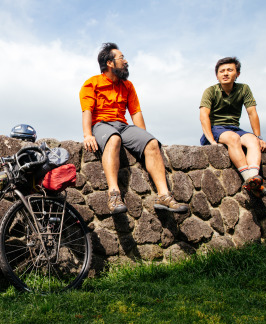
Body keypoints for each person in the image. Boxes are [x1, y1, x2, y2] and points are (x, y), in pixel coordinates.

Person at [79, 42, 188, 214]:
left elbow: (136, 113)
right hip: (102, 125)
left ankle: (164, 196)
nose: (125, 61)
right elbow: (87, 111)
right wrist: (87, 135)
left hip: (123, 125)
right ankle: (114, 195)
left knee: (152, 142)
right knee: (113, 139)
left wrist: (143, 138)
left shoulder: (128, 86)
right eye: (121, 58)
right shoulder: (92, 83)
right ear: (109, 63)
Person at [199, 57, 266, 197]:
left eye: (230, 70)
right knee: (234, 138)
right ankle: (250, 179)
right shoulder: (211, 91)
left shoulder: (243, 89)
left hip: (235, 128)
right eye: (221, 71)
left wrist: (259, 137)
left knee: (252, 140)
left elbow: (252, 113)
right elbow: (203, 115)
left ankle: (253, 178)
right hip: (216, 128)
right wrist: (212, 141)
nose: (225, 73)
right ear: (217, 76)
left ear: (237, 74)